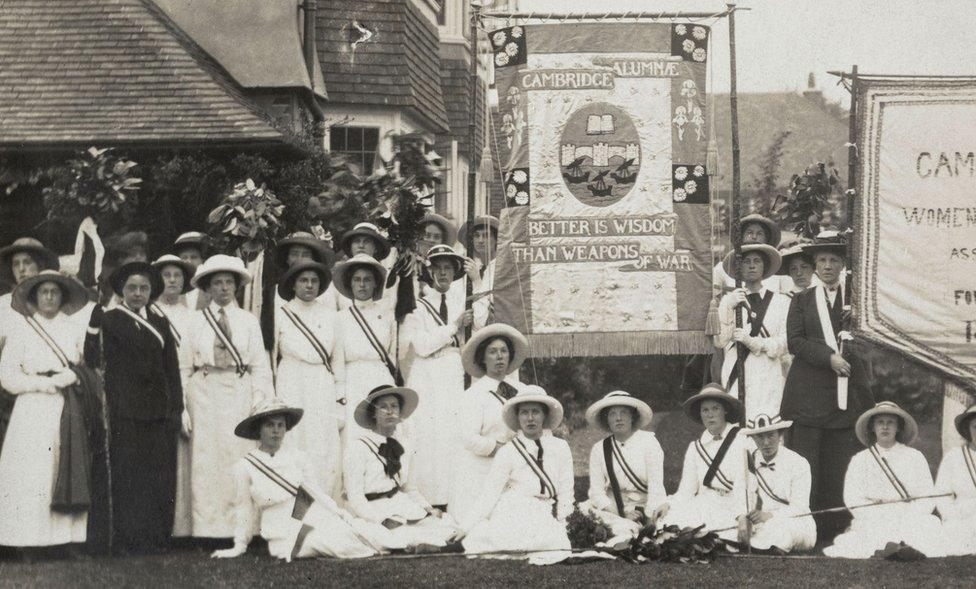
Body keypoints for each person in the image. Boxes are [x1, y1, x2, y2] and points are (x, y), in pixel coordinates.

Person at [781, 231, 874, 542]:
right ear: (814, 265)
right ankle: (808, 528)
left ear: (843, 265)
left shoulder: (856, 302)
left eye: (834, 260)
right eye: (822, 260)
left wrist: (853, 344)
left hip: (845, 395)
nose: (828, 266)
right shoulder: (802, 299)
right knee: (808, 461)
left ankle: (838, 526)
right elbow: (795, 342)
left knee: (840, 463)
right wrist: (829, 357)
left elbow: (868, 340)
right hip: (808, 392)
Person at [84, 261, 182, 554]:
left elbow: (171, 368)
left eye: (144, 288)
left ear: (151, 292)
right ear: (122, 291)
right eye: (132, 288)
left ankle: (154, 537)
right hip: (123, 409)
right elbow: (92, 359)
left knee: (156, 475)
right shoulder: (110, 318)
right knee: (128, 476)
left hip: (157, 410)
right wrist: (92, 325)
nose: (138, 293)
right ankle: (126, 539)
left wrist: (176, 407)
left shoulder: (160, 320)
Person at [212, 399, 388, 561]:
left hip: (310, 516)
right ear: (259, 429)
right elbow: (244, 508)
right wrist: (239, 545)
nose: (276, 430)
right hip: (280, 531)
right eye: (270, 425)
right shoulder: (245, 466)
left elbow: (316, 493)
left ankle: (402, 542)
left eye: (281, 425)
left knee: (354, 530)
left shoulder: (298, 458)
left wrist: (341, 514)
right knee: (332, 541)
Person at [179, 255, 273, 538]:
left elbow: (259, 365)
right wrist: (182, 407)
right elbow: (183, 366)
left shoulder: (247, 321)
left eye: (228, 283)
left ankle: (243, 527)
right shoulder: (194, 321)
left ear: (236, 286)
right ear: (207, 287)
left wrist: (260, 400)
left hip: (239, 391)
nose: (223, 288)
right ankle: (208, 528)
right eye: (217, 283)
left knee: (239, 457)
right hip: (204, 393)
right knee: (207, 460)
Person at [0, 271, 91, 549]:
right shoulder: (22, 329)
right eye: (44, 292)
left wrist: (71, 376)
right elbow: (7, 376)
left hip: (66, 407)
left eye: (55, 292)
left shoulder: (73, 328)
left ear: (62, 296)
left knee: (62, 468)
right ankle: (25, 542)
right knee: (31, 473)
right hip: (31, 410)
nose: (49, 297)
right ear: (35, 297)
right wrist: (42, 383)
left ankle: (66, 540)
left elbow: (83, 367)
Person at [453, 385, 574, 554]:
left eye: (535, 412)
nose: (530, 418)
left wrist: (565, 521)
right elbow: (489, 493)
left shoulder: (560, 447)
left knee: (556, 539)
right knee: (512, 537)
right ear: (517, 417)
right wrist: (465, 527)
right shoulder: (508, 451)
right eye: (524, 412)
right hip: (515, 507)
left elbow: (567, 489)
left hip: (546, 508)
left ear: (545, 415)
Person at [343, 385, 459, 550]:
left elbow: (409, 488)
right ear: (373, 414)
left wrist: (428, 507)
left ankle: (432, 544)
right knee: (390, 534)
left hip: (400, 503)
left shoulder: (403, 445)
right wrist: (381, 520)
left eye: (394, 406)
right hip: (373, 508)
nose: (390, 411)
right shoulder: (357, 447)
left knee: (444, 525)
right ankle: (421, 545)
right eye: (383, 407)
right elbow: (355, 498)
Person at [400, 244, 472, 509]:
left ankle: (451, 499)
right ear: (429, 273)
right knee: (425, 435)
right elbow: (421, 346)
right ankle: (426, 499)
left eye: (448, 269)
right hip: (426, 374)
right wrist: (454, 327)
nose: (443, 274)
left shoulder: (461, 304)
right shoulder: (417, 306)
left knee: (452, 433)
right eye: (438, 268)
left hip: (452, 371)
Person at [824, 402, 945, 558]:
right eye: (880, 422)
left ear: (899, 427)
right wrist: (874, 515)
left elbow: (927, 496)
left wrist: (910, 515)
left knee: (929, 524)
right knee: (866, 533)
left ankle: (901, 549)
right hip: (874, 515)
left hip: (907, 514)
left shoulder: (915, 456)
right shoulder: (860, 459)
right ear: (873, 427)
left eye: (890, 423)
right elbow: (852, 497)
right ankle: (894, 548)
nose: (885, 427)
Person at [273, 260, 344, 498]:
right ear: (293, 284)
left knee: (322, 445)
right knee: (294, 441)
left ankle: (323, 509)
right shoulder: (281, 314)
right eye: (303, 280)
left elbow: (338, 361)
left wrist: (340, 399)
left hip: (321, 384)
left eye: (314, 281)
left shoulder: (331, 316)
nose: (309, 285)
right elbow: (273, 357)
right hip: (291, 380)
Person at [449, 323, 528, 524]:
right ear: (482, 358)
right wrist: (501, 449)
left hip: (518, 467)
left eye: (503, 351)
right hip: (483, 469)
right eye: (492, 352)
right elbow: (469, 438)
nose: (499, 356)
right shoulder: (473, 395)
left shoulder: (523, 390)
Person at [653, 383, 747, 540]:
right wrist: (668, 504)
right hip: (705, 502)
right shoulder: (695, 447)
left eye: (715, 408)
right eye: (705, 410)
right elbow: (686, 490)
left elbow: (744, 484)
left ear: (725, 410)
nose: (710, 415)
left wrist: (742, 514)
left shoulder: (742, 439)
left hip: (734, 503)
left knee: (724, 529)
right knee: (668, 521)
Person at [715, 244, 790, 420]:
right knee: (738, 422)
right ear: (738, 267)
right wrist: (728, 306)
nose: (751, 265)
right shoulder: (729, 300)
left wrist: (757, 343)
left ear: (764, 266)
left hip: (768, 370)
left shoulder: (780, 301)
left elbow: (787, 341)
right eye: (746, 261)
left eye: (757, 261)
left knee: (768, 421)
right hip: (737, 367)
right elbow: (719, 341)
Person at [149, 254, 195, 538]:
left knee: (188, 456)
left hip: (189, 384)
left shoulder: (194, 316)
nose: (173, 280)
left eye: (178, 275)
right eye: (166, 275)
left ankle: (186, 526)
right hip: (161, 384)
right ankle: (163, 526)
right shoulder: (150, 314)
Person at [580, 391, 666, 544]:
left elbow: (656, 486)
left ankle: (627, 532)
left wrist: (649, 516)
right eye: (612, 413)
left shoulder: (649, 443)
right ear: (607, 419)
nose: (618, 418)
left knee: (668, 520)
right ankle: (626, 530)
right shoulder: (599, 449)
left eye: (624, 412)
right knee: (585, 510)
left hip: (647, 505)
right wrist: (621, 513)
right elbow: (596, 492)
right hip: (614, 508)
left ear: (633, 416)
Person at [0, 237, 60, 450]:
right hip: (6, 394)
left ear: (41, 265)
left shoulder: (54, 303)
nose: (22, 269)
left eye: (28, 262)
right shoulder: (3, 305)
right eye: (16, 264)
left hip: (49, 390)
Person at [333, 254, 398, 444]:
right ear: (350, 284)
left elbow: (392, 354)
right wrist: (340, 396)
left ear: (375, 284)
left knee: (383, 435)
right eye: (357, 280)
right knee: (354, 436)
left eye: (367, 280)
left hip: (381, 379)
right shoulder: (339, 318)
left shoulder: (386, 315)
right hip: (352, 381)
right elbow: (337, 361)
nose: (362, 285)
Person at [736, 414, 816, 553]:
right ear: (753, 438)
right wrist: (743, 517)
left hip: (793, 520)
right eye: (760, 437)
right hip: (758, 522)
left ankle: (767, 546)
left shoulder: (798, 463)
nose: (766, 442)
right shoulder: (748, 462)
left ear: (780, 435)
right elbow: (741, 494)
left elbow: (800, 507)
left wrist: (769, 516)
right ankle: (764, 545)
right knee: (732, 525)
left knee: (785, 532)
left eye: (771, 435)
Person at [264, 232, 335, 346]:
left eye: (305, 254)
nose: (299, 259)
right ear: (287, 259)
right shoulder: (273, 292)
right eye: (294, 254)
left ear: (314, 259)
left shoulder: (326, 291)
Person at [934, 403, 976, 556]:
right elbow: (942, 494)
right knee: (954, 534)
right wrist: (953, 516)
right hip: (962, 514)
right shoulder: (954, 456)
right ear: (967, 430)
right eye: (975, 427)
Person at [458, 216, 499, 330]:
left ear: (496, 239)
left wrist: (476, 280)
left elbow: (481, 321)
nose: (480, 240)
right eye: (476, 235)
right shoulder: (474, 268)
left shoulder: (500, 270)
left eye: (486, 235)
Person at [171, 231, 211, 311]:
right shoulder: (171, 287)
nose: (189, 261)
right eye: (184, 258)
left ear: (202, 260)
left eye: (194, 257)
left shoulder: (212, 288)